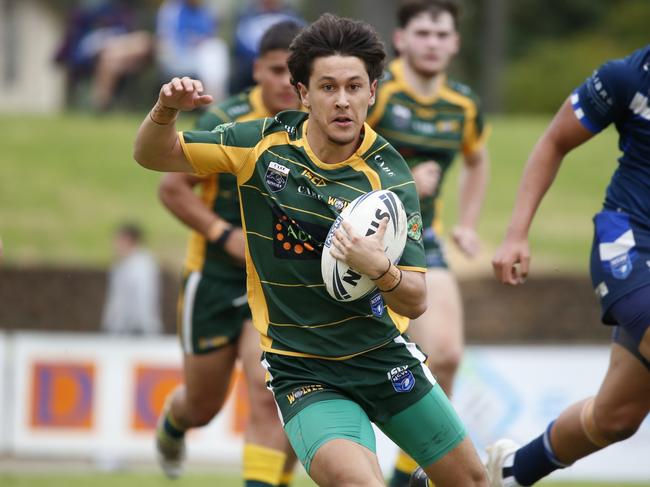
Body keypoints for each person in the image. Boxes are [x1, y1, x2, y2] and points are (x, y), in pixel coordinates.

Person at [133, 13, 488, 487]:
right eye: (327, 87)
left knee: (475, 481)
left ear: (372, 91)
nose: (342, 101)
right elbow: (153, 156)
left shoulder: (390, 176)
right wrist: (164, 109)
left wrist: (379, 268)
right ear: (304, 93)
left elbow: (415, 299)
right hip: (304, 372)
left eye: (354, 86)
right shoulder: (260, 144)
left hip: (383, 357)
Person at [487, 46, 650, 486]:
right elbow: (555, 140)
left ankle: (507, 474)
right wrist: (517, 233)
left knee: (616, 417)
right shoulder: (626, 78)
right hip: (630, 244)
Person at [155, 21, 303, 486]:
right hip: (216, 277)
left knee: (270, 393)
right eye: (276, 69)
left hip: (279, 284)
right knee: (202, 406)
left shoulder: (317, 126)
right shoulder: (226, 119)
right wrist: (224, 236)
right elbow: (172, 189)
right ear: (258, 69)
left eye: (293, 71)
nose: (284, 81)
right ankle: (173, 425)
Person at [365, 1, 490, 484]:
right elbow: (338, 152)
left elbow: (478, 160)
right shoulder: (377, 91)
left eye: (442, 34)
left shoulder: (462, 104)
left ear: (456, 43)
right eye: (423, 32)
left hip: (422, 240)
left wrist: (469, 223)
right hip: (355, 241)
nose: (433, 42)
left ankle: (405, 476)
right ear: (400, 39)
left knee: (448, 355)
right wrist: (403, 182)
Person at [54, 0, 153, 111]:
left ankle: (101, 102)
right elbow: (77, 32)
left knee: (142, 41)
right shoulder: (90, 6)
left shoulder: (122, 8)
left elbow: (128, 30)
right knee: (111, 55)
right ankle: (100, 104)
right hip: (91, 44)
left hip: (119, 46)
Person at [156, 0, 230, 103]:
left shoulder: (206, 10)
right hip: (177, 57)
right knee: (212, 54)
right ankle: (215, 103)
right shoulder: (173, 8)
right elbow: (166, 43)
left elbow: (210, 36)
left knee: (215, 49)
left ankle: (213, 101)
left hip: (201, 59)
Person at [101, 223, 162, 336]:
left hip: (135, 332)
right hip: (121, 331)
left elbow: (144, 299)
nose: (115, 244)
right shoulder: (122, 265)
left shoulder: (142, 266)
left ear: (128, 240)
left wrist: (140, 328)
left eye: (118, 240)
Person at [229, 0, 303, 93]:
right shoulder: (246, 15)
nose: (286, 82)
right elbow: (238, 45)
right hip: (250, 65)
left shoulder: (292, 14)